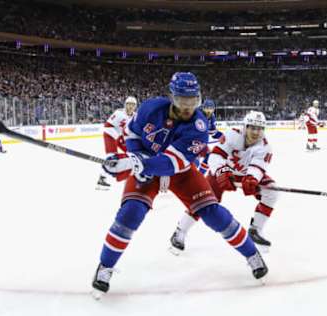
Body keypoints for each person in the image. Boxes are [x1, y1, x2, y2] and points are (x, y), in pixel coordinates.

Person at [91, 72, 268, 298]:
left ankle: (252, 255)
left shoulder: (199, 126)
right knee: (130, 214)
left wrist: (137, 164)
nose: (188, 107)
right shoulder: (150, 107)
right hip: (146, 164)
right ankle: (105, 266)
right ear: (172, 97)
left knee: (213, 213)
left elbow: (172, 162)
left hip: (180, 171)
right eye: (183, 101)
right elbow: (131, 134)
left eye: (193, 101)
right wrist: (132, 156)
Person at [170, 111, 278, 254]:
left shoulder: (265, 147)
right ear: (245, 127)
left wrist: (252, 179)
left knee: (271, 191)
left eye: (259, 129)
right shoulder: (232, 135)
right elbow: (215, 156)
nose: (256, 132)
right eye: (252, 127)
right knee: (202, 199)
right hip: (221, 172)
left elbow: (257, 167)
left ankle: (256, 230)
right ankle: (180, 231)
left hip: (244, 175)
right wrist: (222, 172)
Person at [96, 96, 138, 190]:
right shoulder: (119, 113)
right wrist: (118, 137)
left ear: (135, 106)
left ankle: (130, 179)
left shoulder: (135, 116)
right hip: (110, 135)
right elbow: (107, 126)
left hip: (121, 138)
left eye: (132, 105)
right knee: (112, 159)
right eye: (128, 104)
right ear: (125, 105)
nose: (130, 106)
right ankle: (101, 179)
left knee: (132, 156)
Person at [197, 98, 224, 174]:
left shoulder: (212, 116)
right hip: (190, 141)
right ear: (203, 108)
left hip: (201, 142)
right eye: (207, 108)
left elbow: (213, 132)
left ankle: (200, 175)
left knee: (209, 156)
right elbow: (198, 130)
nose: (209, 111)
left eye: (211, 109)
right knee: (194, 162)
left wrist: (223, 136)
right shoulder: (197, 114)